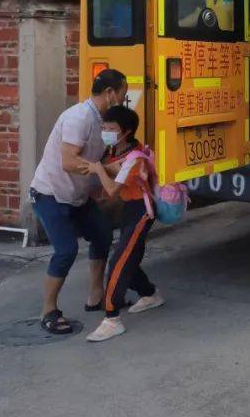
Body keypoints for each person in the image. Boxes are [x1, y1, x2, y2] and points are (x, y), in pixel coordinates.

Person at [29, 69, 128, 334]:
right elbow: (69, 161)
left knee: (102, 235)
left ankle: (96, 296)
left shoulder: (103, 119)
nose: (123, 99)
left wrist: (115, 165)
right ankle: (48, 310)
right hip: (50, 193)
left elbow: (100, 157)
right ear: (109, 93)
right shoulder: (79, 117)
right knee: (66, 251)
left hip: (77, 196)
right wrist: (100, 169)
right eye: (122, 94)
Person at [85, 105, 164, 342]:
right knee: (128, 257)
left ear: (126, 132)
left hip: (142, 210)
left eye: (111, 128)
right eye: (104, 127)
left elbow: (110, 190)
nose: (106, 131)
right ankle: (149, 294)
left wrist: (99, 169)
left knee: (119, 260)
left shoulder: (134, 158)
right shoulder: (113, 150)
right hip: (130, 208)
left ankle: (112, 319)